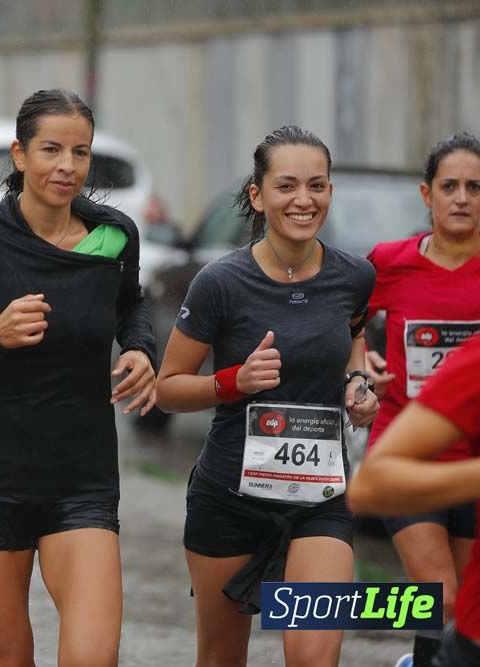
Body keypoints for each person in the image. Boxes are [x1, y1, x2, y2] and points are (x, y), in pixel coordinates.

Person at [0, 89, 157, 667]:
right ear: (20, 155)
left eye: (81, 152)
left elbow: (130, 303)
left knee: (94, 656)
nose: (67, 166)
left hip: (80, 478)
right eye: (51, 149)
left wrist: (141, 348)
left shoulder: (113, 236)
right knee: (11, 658)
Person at [155, 126, 379, 667]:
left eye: (317, 186)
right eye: (287, 186)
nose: (304, 200)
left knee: (313, 658)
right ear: (257, 195)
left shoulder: (354, 276)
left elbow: (352, 339)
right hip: (229, 499)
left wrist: (358, 384)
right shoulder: (220, 283)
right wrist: (234, 380)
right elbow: (167, 390)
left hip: (319, 502)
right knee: (221, 658)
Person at [361, 132, 480, 667]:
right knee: (440, 596)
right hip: (406, 457)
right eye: (449, 186)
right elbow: (343, 318)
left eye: (475, 187)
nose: (462, 198)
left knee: (462, 613)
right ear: (426, 195)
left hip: (471, 459)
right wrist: (358, 358)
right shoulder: (388, 262)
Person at [348, 333, 480, 667]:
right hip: (414, 455)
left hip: (459, 459)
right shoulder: (474, 360)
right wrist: (361, 367)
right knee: (441, 599)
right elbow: (368, 489)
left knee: (451, 601)